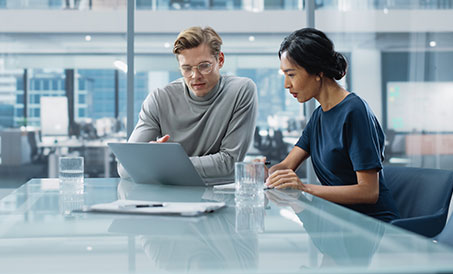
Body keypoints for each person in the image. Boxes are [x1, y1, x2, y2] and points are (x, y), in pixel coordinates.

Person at [265, 28, 399, 222]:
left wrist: (304, 188)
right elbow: (287, 165)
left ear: (318, 72)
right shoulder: (319, 116)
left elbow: (369, 192)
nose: (286, 84)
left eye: (291, 74)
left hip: (371, 224)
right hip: (338, 218)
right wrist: (268, 172)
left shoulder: (354, 111)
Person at [118, 26, 258, 182]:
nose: (195, 76)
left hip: (220, 195)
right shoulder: (159, 99)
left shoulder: (241, 90)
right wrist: (154, 157)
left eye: (204, 66)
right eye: (186, 68)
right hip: (168, 199)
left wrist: (160, 164)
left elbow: (228, 163)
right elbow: (125, 167)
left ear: (220, 60)